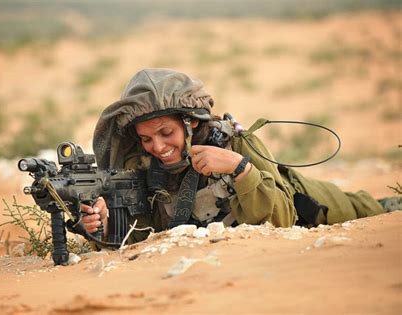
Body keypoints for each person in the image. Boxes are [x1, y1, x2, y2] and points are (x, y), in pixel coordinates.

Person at [80, 68, 399, 244]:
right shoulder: (146, 167)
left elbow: (281, 220)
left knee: (374, 208)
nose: (158, 147)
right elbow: (147, 233)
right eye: (146, 139)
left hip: (312, 206)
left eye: (166, 133)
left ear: (191, 121)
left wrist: (241, 169)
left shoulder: (237, 144)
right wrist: (104, 226)